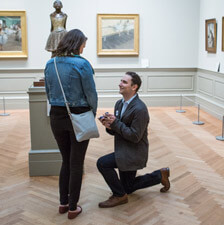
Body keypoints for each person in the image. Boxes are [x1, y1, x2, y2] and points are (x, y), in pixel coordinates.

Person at [44, 29, 98, 219]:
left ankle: (63, 203)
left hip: (56, 117)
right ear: (77, 44)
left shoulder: (51, 64)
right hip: (79, 115)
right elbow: (91, 93)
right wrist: (92, 113)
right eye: (83, 44)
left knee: (65, 161)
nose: (84, 47)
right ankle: (73, 207)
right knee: (77, 163)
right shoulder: (82, 65)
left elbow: (48, 93)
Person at [97, 72, 170, 208]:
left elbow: (135, 136)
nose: (120, 84)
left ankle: (119, 196)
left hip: (133, 153)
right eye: (121, 81)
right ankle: (160, 175)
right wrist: (109, 126)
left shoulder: (140, 109)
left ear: (134, 87)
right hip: (123, 149)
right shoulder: (119, 104)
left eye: (124, 82)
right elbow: (118, 129)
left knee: (102, 163)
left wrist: (115, 124)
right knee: (128, 187)